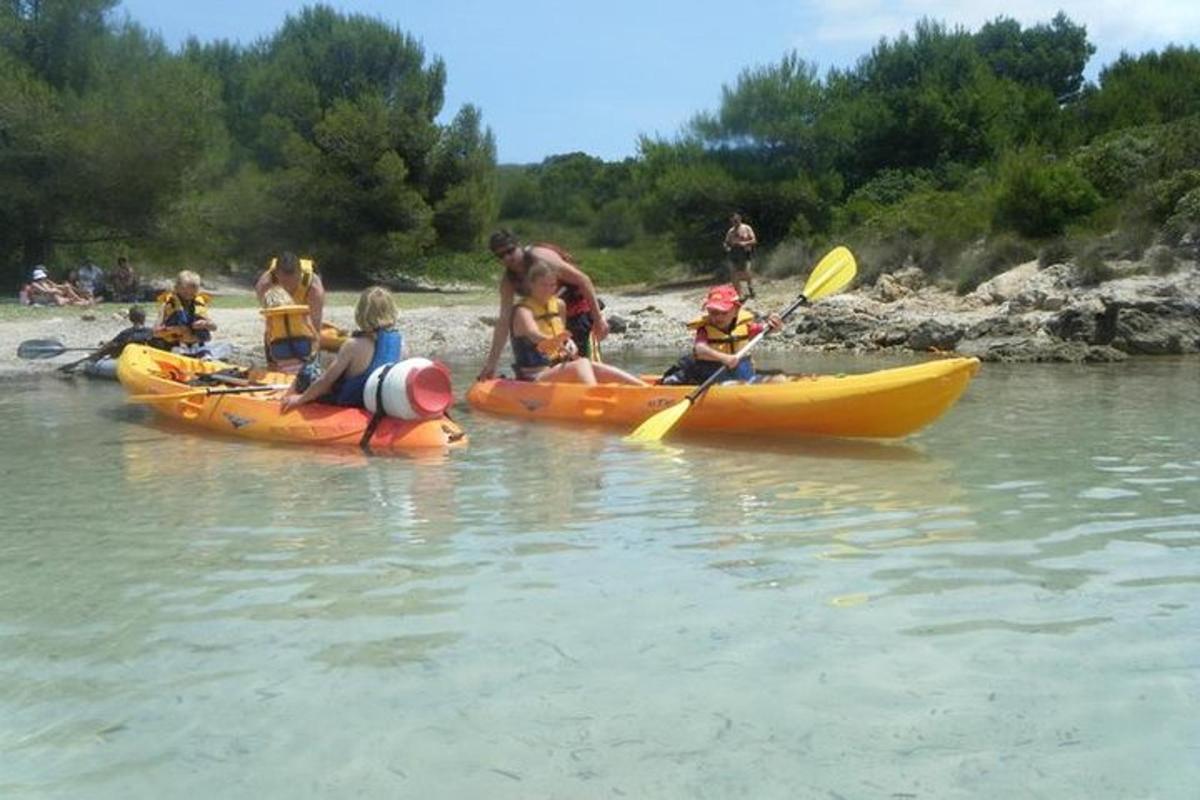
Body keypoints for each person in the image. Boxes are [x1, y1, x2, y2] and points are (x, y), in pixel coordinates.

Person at [479, 230, 609, 380]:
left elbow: (583, 280)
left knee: (585, 360)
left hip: (578, 308)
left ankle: (599, 390)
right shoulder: (509, 282)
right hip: (552, 318)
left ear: (518, 246)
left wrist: (598, 319)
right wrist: (491, 364)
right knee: (558, 361)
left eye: (510, 251)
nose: (507, 258)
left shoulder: (542, 258)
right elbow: (503, 322)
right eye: (501, 255)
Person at [511, 261, 646, 385]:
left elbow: (562, 333)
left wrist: (568, 342)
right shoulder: (523, 311)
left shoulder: (559, 305)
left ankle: (645, 390)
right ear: (531, 285)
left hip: (557, 368)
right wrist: (556, 341)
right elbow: (534, 334)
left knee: (591, 365)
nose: (548, 290)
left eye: (552, 285)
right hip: (534, 376)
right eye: (543, 285)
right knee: (580, 364)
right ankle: (594, 398)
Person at [281, 286, 402, 411]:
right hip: (372, 403)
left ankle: (285, 400)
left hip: (350, 402)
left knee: (308, 368)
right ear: (392, 312)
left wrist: (301, 399)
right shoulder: (399, 342)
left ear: (360, 313)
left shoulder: (353, 345)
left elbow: (325, 382)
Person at [660, 284, 783, 385]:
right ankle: (677, 378)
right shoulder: (704, 330)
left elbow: (770, 329)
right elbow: (700, 350)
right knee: (689, 361)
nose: (718, 317)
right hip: (712, 377)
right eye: (713, 312)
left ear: (735, 311)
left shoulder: (746, 327)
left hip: (741, 376)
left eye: (723, 312)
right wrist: (724, 358)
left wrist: (775, 324)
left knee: (779, 376)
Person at [255, 252, 326, 336]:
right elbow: (269, 317)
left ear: (300, 274)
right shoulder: (265, 285)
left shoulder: (314, 288)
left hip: (305, 296)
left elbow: (316, 319)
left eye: (294, 281)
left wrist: (314, 340)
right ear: (276, 274)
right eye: (284, 282)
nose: (289, 286)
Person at [151, 270, 216, 354]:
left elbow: (213, 328)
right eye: (185, 293)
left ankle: (199, 353)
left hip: (194, 342)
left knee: (204, 348)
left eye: (192, 294)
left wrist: (205, 324)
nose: (188, 297)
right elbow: (155, 332)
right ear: (176, 288)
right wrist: (172, 330)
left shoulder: (198, 305)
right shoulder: (167, 305)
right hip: (174, 344)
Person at [260, 284, 318, 374]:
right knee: (304, 365)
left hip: (280, 348)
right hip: (302, 345)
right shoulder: (298, 311)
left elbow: (268, 334)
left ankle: (286, 377)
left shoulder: (271, 315)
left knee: (283, 367)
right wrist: (315, 343)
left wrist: (270, 352)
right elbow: (310, 328)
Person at [723, 213, 758, 300]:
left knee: (747, 272)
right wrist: (727, 247)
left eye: (736, 220)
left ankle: (750, 287)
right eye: (733, 221)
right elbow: (726, 243)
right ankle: (739, 294)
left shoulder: (746, 228)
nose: (735, 222)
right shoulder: (730, 231)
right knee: (733, 273)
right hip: (734, 254)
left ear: (740, 219)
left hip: (745, 253)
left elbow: (754, 240)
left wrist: (744, 243)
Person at [24, 266, 92, 306]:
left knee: (66, 291)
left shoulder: (45, 282)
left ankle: (81, 301)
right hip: (44, 299)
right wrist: (56, 290)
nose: (43, 279)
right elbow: (45, 291)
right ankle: (82, 302)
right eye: (41, 278)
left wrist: (64, 287)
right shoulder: (35, 284)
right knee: (66, 300)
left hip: (51, 297)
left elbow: (54, 286)